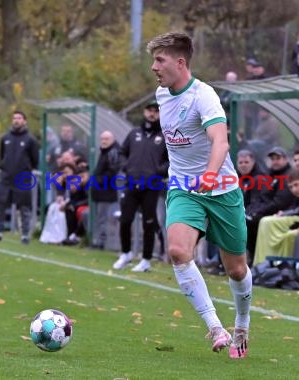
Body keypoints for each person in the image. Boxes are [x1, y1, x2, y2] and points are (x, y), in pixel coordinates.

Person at [147, 32, 252, 359]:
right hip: (183, 188)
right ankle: (215, 327)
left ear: (180, 62)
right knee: (178, 251)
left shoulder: (203, 96)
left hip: (221, 188)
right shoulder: (161, 94)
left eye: (159, 60)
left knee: (236, 269)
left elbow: (220, 140)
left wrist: (210, 173)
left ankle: (242, 322)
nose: (154, 67)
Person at [112, 100, 169, 272]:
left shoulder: (164, 136)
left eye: (155, 111)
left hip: (151, 186)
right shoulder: (134, 133)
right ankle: (126, 253)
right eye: (149, 110)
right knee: (125, 220)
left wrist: (158, 172)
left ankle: (145, 259)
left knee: (149, 223)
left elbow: (171, 160)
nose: (152, 114)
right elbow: (122, 153)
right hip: (131, 183)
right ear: (144, 112)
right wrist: (126, 166)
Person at [0, 111, 39, 244]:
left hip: (22, 179)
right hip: (6, 177)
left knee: (24, 207)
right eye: (14, 118)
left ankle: (25, 235)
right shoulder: (5, 138)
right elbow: (2, 156)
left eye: (19, 118)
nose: (16, 120)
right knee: (1, 204)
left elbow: (34, 160)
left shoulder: (30, 140)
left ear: (24, 121)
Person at [91, 131, 121, 250]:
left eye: (106, 139)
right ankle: (99, 240)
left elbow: (112, 171)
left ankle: (101, 242)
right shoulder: (105, 152)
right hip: (100, 190)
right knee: (100, 217)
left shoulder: (113, 152)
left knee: (104, 217)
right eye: (102, 138)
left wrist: (99, 180)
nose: (103, 141)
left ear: (112, 139)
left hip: (107, 191)